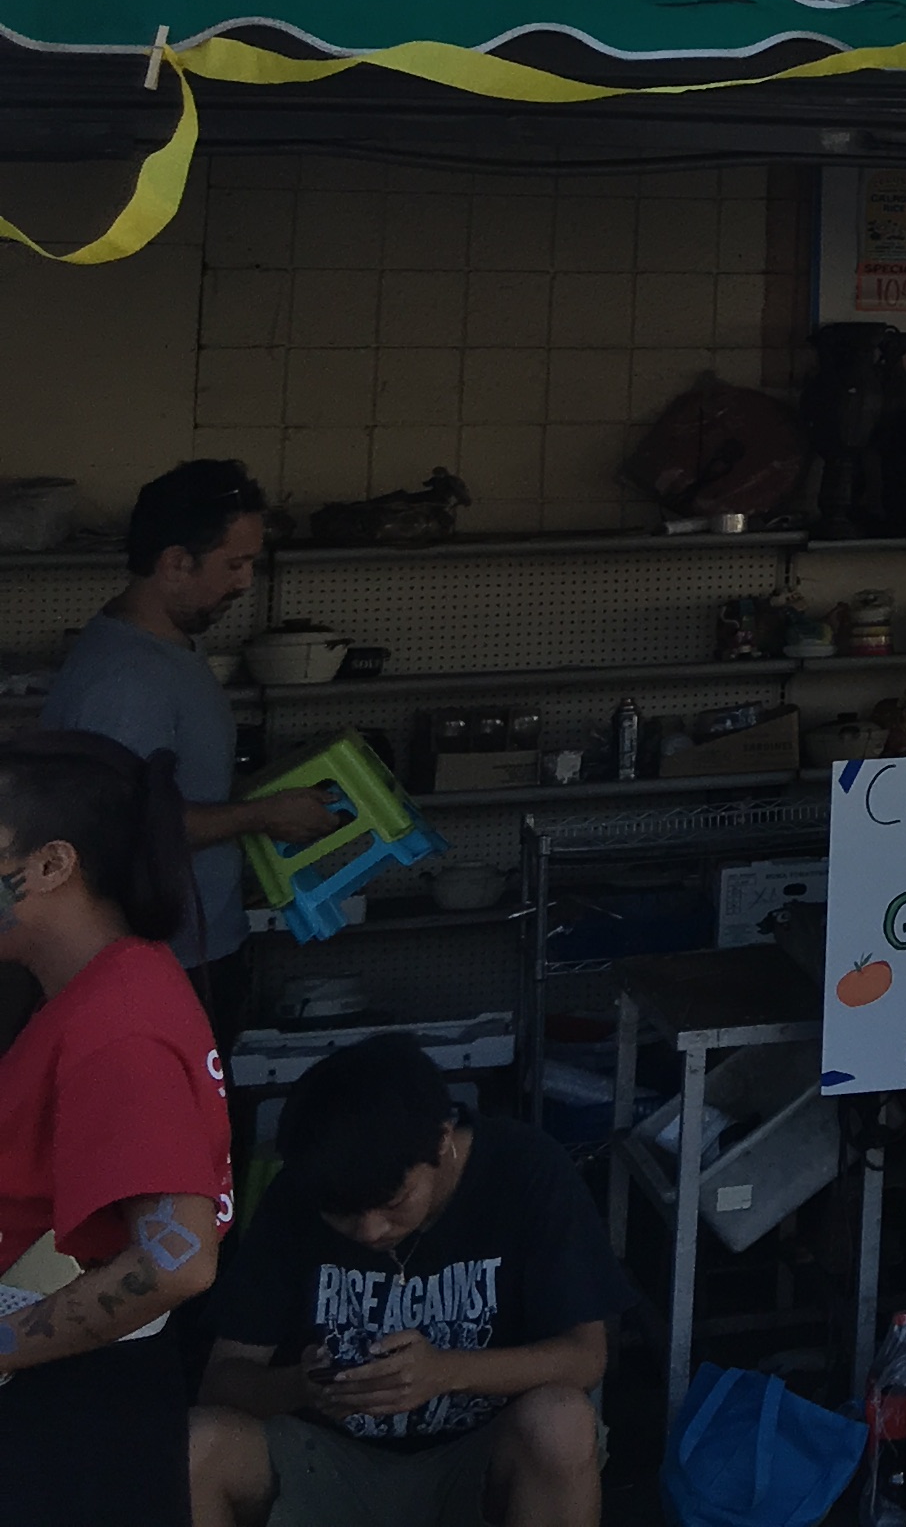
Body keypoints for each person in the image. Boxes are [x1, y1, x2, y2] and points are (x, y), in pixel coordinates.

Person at [189, 1032, 616, 1527]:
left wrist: (447, 1373)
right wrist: (301, 1387)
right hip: (328, 1462)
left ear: (441, 1141)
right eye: (343, 1215)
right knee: (197, 1446)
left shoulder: (526, 1169)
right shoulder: (298, 1194)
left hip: (479, 1456)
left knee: (561, 1422)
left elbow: (586, 1356)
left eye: (394, 1203)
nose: (370, 1230)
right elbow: (222, 1381)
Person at [0, 729, 237, 1525]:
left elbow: (177, 1260)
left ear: (50, 864)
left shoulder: (117, 1024)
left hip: (69, 1419)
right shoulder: (91, 991)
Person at [43, 463, 336, 1045]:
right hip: (152, 967)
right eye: (235, 564)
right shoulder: (128, 678)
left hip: (193, 949)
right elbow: (123, 822)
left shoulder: (169, 652)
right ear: (176, 563)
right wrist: (261, 816)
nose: (246, 581)